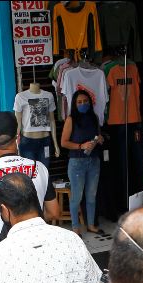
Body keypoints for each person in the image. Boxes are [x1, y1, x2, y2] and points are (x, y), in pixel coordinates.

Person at [0, 112, 59, 251]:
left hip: (2, 251)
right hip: (39, 246)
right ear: (18, 138)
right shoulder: (39, 168)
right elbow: (54, 213)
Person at [60, 90, 104, 236]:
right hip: (76, 162)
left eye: (85, 101)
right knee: (76, 197)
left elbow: (98, 134)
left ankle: (91, 224)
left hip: (94, 160)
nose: (83, 104)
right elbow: (64, 142)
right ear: (74, 104)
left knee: (92, 195)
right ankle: (75, 227)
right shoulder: (71, 119)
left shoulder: (94, 117)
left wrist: (99, 139)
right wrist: (80, 146)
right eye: (79, 102)